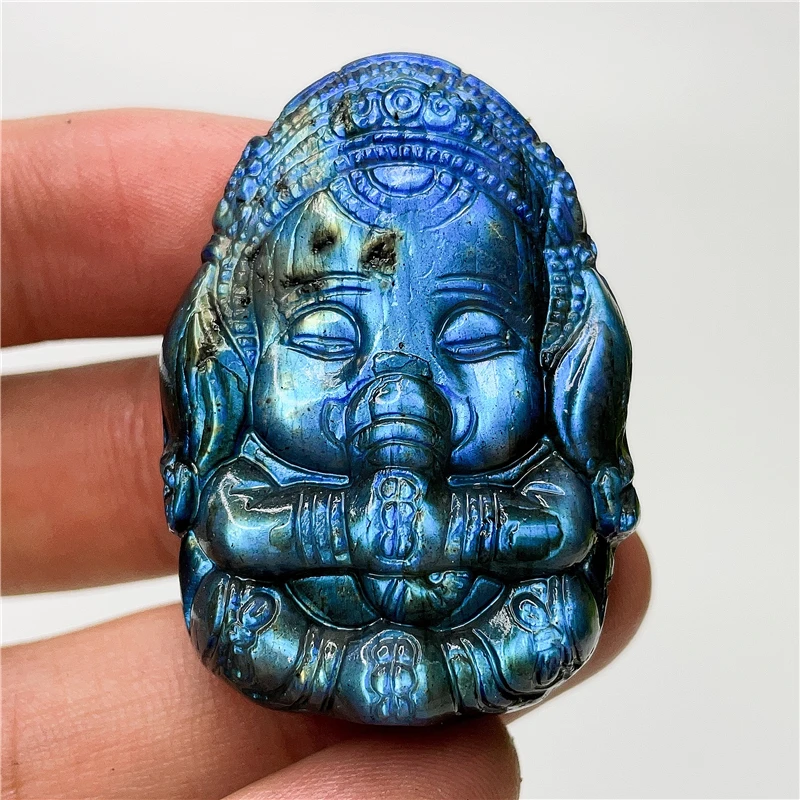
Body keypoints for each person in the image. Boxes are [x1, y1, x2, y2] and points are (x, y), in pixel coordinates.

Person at [1, 109, 650, 799]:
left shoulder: (537, 470)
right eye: (328, 339)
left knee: (559, 621)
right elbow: (234, 526)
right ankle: (355, 670)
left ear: (556, 350)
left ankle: (457, 670)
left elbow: (563, 526)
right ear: (241, 352)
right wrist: (348, 525)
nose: (399, 384)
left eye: (472, 338)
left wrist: (452, 525)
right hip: (294, 630)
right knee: (234, 622)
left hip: (490, 626)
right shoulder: (251, 471)